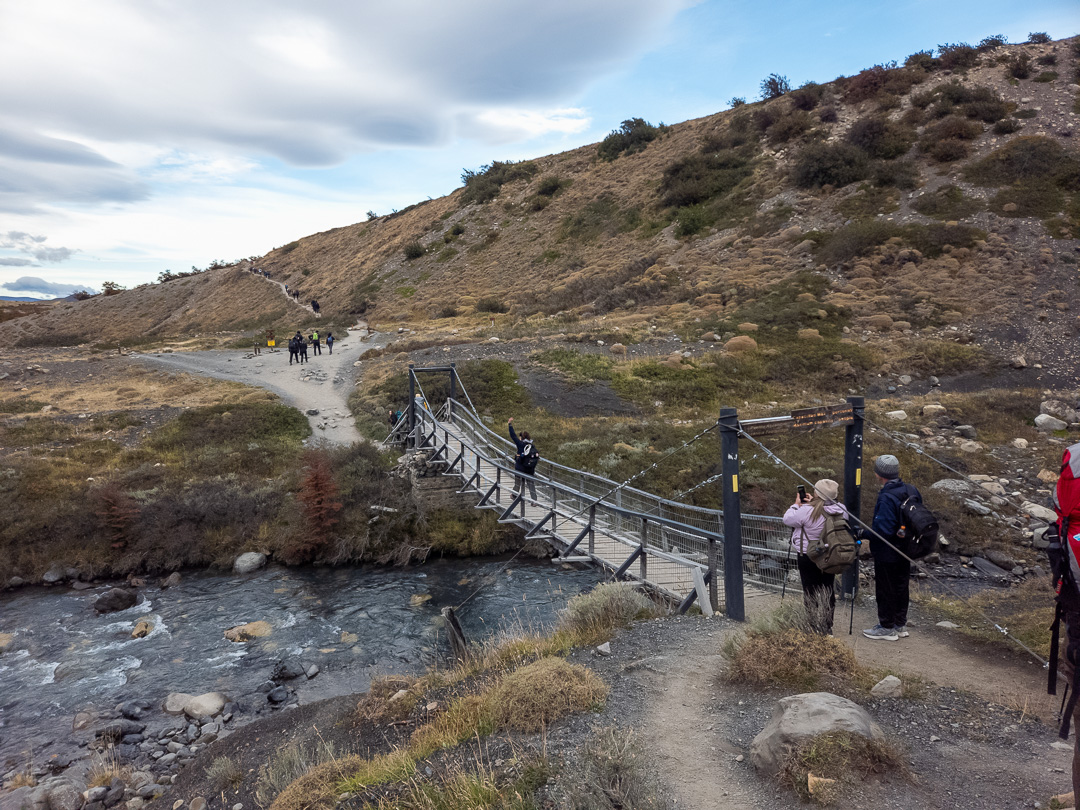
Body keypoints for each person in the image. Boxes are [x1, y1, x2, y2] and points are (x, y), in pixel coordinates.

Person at [863, 455, 920, 641]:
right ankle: (899, 624)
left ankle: (886, 627)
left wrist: (862, 533)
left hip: (887, 552)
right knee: (901, 586)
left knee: (885, 588)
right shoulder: (911, 489)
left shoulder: (887, 496)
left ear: (879, 474)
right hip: (907, 548)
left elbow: (882, 531)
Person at [782, 479, 846, 634]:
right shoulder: (841, 509)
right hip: (830, 554)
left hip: (808, 555)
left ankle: (811, 626)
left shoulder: (807, 510)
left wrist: (796, 504)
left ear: (817, 493)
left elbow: (787, 519)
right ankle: (827, 627)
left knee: (810, 590)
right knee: (828, 589)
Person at [507, 417, 538, 501]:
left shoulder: (520, 444)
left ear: (521, 438)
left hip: (520, 468)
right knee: (531, 484)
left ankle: (514, 495)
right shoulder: (532, 446)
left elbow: (513, 435)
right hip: (530, 469)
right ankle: (534, 500)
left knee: (517, 483)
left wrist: (510, 424)